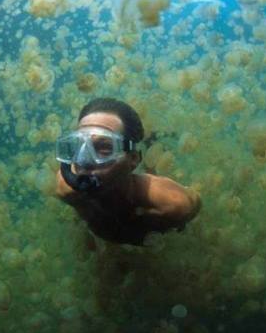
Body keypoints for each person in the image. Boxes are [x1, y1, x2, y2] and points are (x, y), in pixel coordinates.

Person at [55, 97, 201, 246]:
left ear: (133, 159)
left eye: (104, 148)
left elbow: (194, 201)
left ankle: (152, 143)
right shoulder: (66, 190)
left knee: (153, 171)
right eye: (78, 146)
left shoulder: (173, 205)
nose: (84, 160)